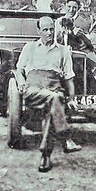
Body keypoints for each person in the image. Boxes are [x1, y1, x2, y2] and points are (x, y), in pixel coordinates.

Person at [16, 16, 82, 173]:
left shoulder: (63, 51)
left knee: (51, 110)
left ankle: (45, 156)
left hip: (54, 87)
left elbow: (69, 78)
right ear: (38, 31)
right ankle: (65, 137)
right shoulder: (29, 48)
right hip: (34, 88)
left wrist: (72, 98)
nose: (49, 33)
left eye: (52, 29)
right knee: (55, 99)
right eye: (45, 30)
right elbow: (19, 70)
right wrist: (20, 82)